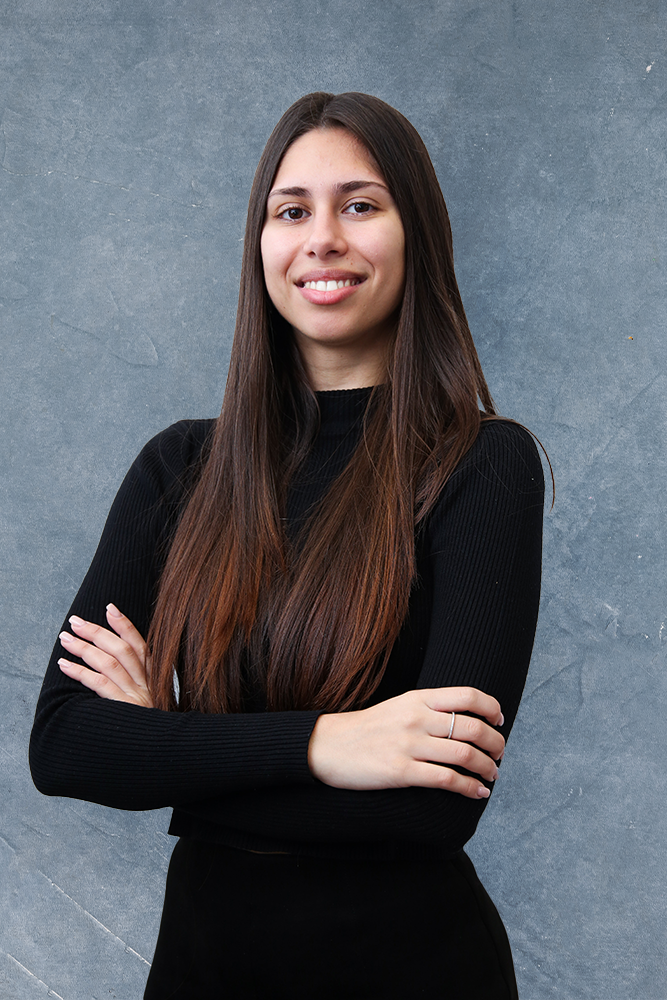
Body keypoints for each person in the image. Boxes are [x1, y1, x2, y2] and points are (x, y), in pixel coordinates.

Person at [30, 91, 545, 998]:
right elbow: (67, 746)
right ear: (260, 242)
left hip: (411, 971)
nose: (322, 240)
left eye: (360, 205)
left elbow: (431, 806)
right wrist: (327, 745)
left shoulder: (481, 464)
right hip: (202, 968)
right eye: (292, 211)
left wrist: (168, 743)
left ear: (415, 235)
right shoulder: (180, 467)